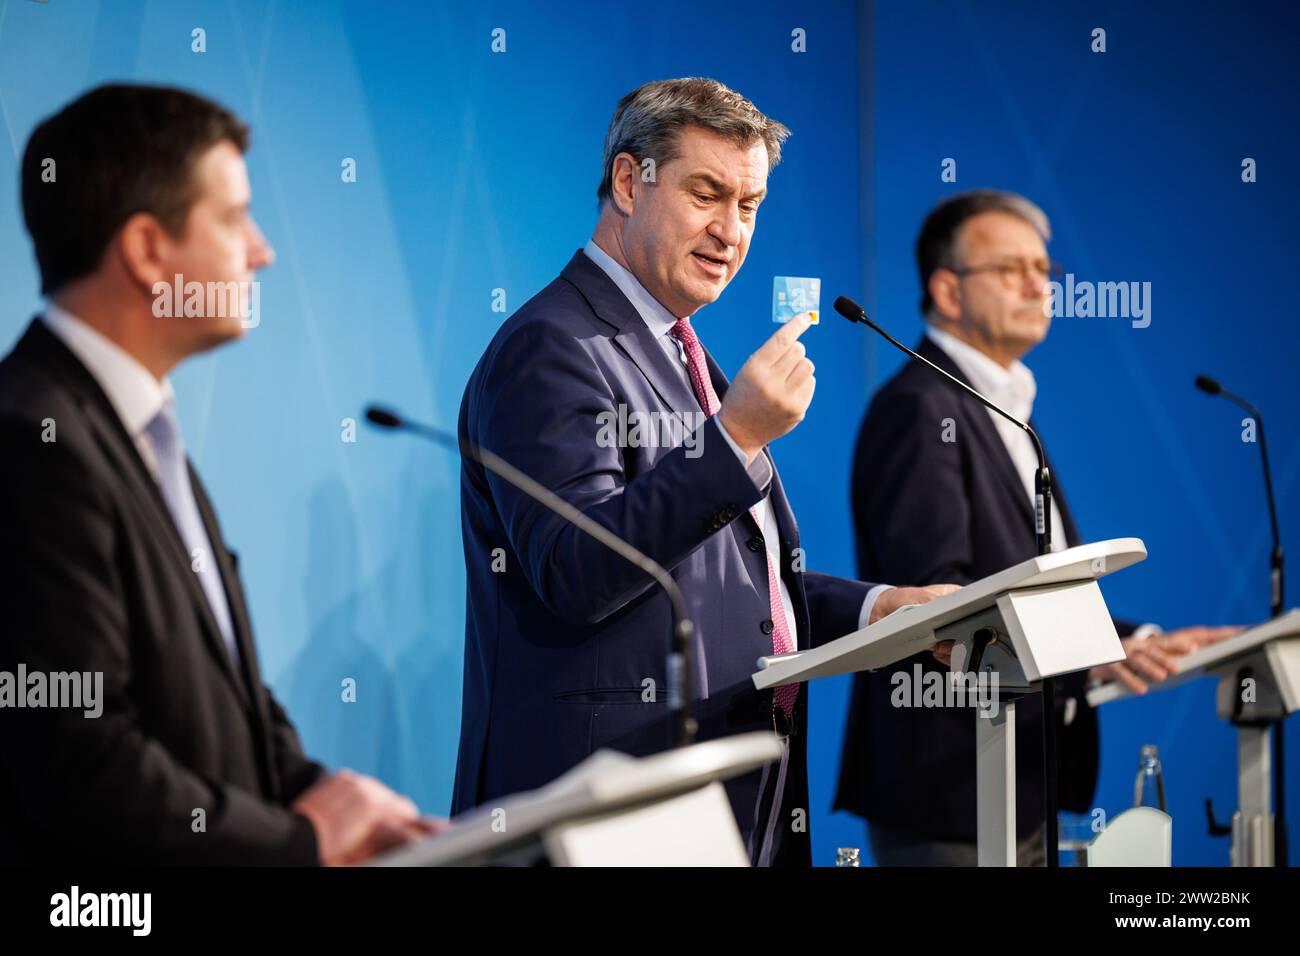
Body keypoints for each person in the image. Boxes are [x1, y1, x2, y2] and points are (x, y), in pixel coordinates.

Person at [452, 77, 952, 866]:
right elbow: (578, 570)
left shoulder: (682, 353)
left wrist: (880, 609)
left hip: (726, 801)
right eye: (707, 193)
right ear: (628, 181)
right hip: (609, 811)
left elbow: (720, 586)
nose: (731, 230)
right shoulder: (551, 347)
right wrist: (739, 433)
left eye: (749, 204)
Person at [0, 83, 439, 865]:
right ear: (146, 249)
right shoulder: (31, 439)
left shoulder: (138, 433)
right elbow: (78, 758)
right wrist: (299, 843)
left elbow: (224, 704)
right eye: (235, 220)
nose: (263, 251)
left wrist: (348, 816)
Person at [835, 189, 1235, 866]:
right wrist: (1097, 650)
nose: (1037, 285)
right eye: (1010, 269)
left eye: (1043, 270)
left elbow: (1029, 582)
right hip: (951, 786)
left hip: (1022, 776)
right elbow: (946, 602)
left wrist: (1133, 640)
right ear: (948, 291)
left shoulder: (1008, 407)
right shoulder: (917, 407)